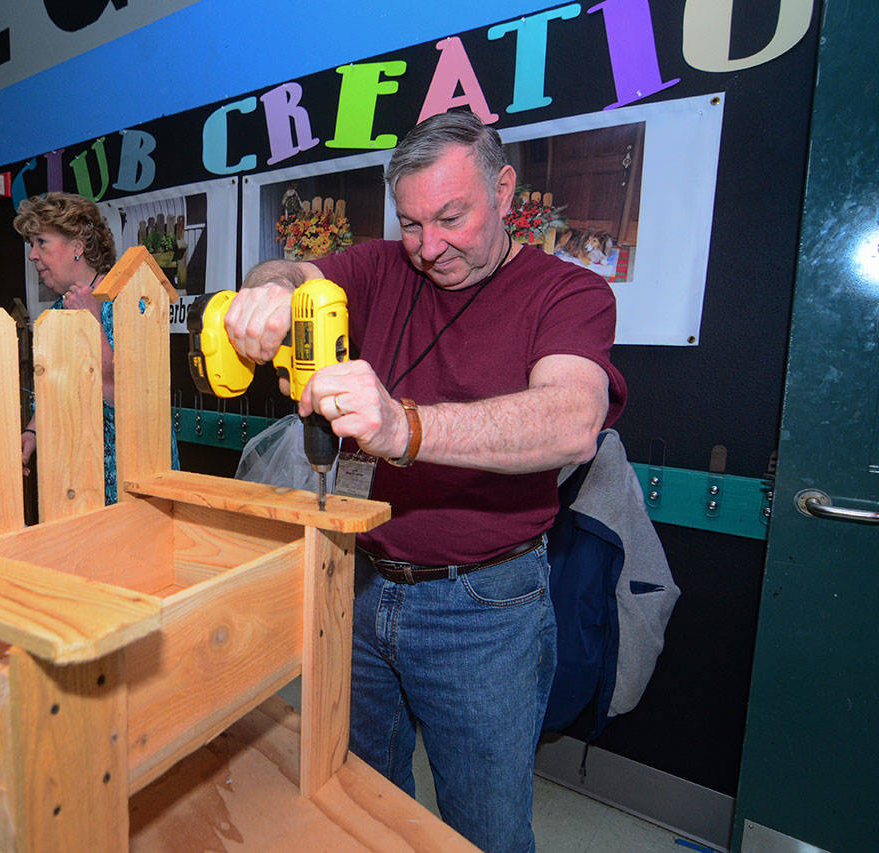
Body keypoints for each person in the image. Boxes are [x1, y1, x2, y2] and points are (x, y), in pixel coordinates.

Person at [224, 111, 626, 852]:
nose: (429, 246)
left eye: (451, 217)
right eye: (411, 223)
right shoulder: (382, 266)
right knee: (362, 805)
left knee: (484, 828)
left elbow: (572, 418)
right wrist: (270, 291)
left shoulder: (567, 294)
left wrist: (403, 426)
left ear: (503, 191)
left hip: (483, 606)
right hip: (360, 577)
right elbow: (293, 273)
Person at [13, 192, 178, 504]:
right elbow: (54, 388)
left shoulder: (129, 299)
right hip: (80, 478)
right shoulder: (59, 310)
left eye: (41, 243)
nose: (33, 255)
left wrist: (93, 323)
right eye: (31, 245)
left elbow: (125, 393)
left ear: (77, 246)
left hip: (133, 477)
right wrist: (32, 434)